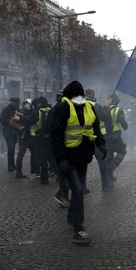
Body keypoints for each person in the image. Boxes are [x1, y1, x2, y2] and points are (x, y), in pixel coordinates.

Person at [51, 81, 106, 244]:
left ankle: (71, 215)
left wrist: (101, 144)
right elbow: (56, 135)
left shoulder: (89, 107)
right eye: (75, 95)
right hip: (68, 158)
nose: (78, 97)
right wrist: (60, 158)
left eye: (80, 94)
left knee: (78, 190)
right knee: (78, 190)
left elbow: (95, 128)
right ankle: (78, 228)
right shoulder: (62, 109)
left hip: (83, 156)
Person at [86, 89, 114, 191]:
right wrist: (106, 106)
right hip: (96, 138)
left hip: (83, 138)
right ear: (93, 95)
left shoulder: (79, 106)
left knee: (82, 164)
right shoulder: (95, 105)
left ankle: (82, 186)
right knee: (102, 161)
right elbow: (106, 117)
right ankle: (105, 183)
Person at [105, 93, 128, 173]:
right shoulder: (118, 110)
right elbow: (123, 124)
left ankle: (108, 177)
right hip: (115, 135)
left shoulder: (104, 109)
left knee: (109, 155)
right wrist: (126, 126)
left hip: (106, 136)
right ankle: (111, 168)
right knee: (122, 151)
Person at [14, 99, 37, 178]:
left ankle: (34, 170)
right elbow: (13, 121)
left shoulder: (32, 111)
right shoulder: (20, 112)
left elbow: (30, 121)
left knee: (34, 153)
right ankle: (18, 172)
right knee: (21, 154)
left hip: (31, 135)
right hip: (23, 136)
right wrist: (19, 127)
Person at [0, 97, 21, 172]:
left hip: (14, 132)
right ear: (12, 102)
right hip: (7, 131)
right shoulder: (5, 110)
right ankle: (10, 166)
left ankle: (12, 164)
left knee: (12, 148)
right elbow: (2, 120)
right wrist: (10, 122)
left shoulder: (17, 110)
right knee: (11, 147)